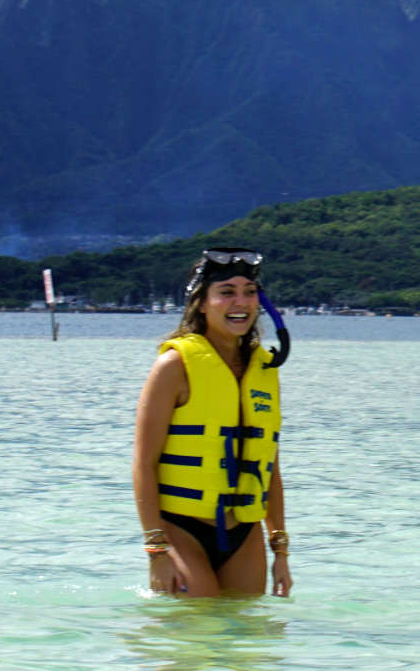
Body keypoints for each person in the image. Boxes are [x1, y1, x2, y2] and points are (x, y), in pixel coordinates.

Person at [132, 248, 292, 597]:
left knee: (247, 643)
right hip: (180, 529)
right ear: (201, 303)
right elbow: (143, 463)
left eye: (250, 292)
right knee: (197, 637)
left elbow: (270, 468)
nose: (241, 302)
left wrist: (280, 549)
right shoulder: (174, 366)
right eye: (227, 292)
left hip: (244, 530)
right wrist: (156, 550)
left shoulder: (263, 371)